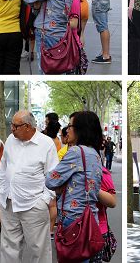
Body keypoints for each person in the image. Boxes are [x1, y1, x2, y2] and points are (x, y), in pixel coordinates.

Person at [0, 110, 59, 262]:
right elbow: (3, 165)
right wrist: (2, 187)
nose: (11, 128)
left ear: (27, 126)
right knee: (8, 247)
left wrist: (44, 200)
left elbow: (53, 176)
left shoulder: (46, 144)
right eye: (11, 125)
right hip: (9, 202)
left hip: (33, 205)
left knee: (38, 250)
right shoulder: (11, 140)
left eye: (15, 126)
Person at [45, 111, 103, 260]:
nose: (67, 129)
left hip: (73, 219)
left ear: (81, 128)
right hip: (91, 220)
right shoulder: (95, 154)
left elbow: (51, 181)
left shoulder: (76, 152)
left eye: (70, 125)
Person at [91, 166, 117, 263]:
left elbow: (112, 201)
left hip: (97, 231)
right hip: (71, 229)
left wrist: (91, 186)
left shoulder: (101, 171)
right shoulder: (68, 167)